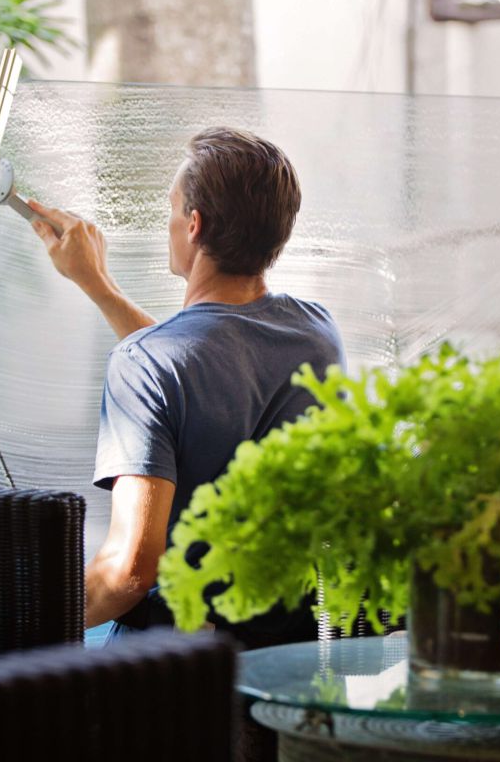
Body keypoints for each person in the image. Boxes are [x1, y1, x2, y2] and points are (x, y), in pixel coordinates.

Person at [28, 127, 345, 648]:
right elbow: (205, 363)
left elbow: (128, 573)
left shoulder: (148, 363)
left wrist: (13, 619)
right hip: (288, 652)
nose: (170, 222)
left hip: (179, 665)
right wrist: (98, 286)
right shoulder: (317, 334)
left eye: (172, 209)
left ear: (194, 226)